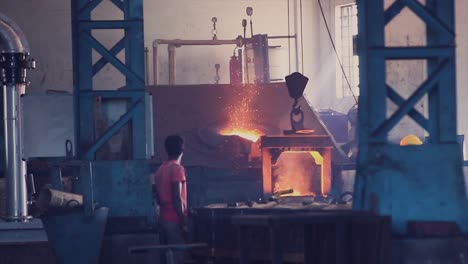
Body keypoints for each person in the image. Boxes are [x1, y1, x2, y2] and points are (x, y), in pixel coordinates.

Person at [151, 134, 188, 262]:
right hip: (174, 219)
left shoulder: (161, 169)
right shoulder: (177, 169)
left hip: (162, 218)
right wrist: (183, 222)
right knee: (180, 256)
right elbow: (177, 197)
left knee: (168, 256)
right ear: (182, 149)